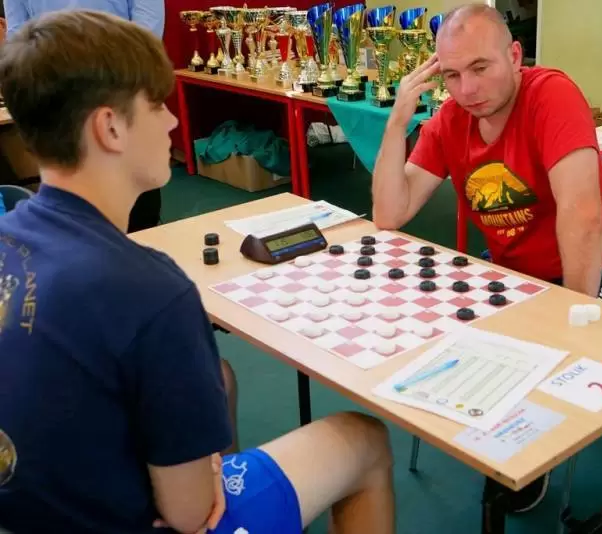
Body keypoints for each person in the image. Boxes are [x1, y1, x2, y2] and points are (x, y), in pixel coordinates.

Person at [0, 10, 395, 534]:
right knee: (365, 439)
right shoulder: (154, 290)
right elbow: (188, 515)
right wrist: (202, 476)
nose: (171, 122)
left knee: (220, 377)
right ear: (110, 127)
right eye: (156, 104)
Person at [372, 4, 602, 511]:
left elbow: (582, 217)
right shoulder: (450, 119)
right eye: (452, 75)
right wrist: (397, 121)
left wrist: (568, 320)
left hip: (590, 274)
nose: (467, 90)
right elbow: (389, 213)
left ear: (515, 56)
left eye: (480, 67)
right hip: (511, 276)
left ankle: (531, 451)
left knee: (530, 353)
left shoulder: (551, 93)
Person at [3, 0, 166, 233]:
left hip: (120, 85)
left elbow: (148, 25)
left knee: (136, 204)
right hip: (55, 93)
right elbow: (18, 34)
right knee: (72, 196)